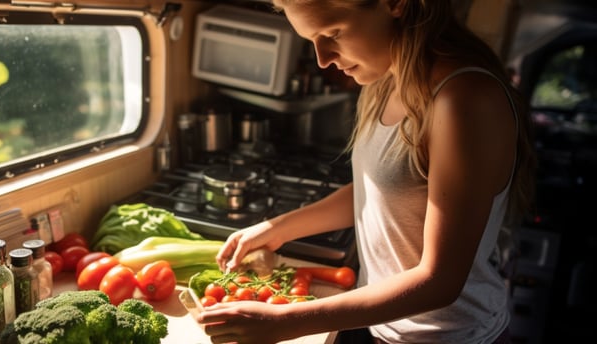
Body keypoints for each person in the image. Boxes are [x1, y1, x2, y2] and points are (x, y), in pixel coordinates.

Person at [198, 1, 536, 343]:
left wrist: (287, 321)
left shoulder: (465, 99)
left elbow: (440, 283)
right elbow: (380, 192)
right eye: (311, 39)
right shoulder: (384, 80)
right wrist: (278, 228)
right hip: (387, 329)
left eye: (332, 33)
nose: (323, 58)